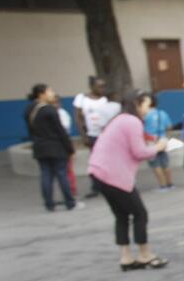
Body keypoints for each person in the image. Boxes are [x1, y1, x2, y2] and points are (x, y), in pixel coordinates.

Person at [87, 89, 169, 270]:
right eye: (147, 105)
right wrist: (159, 147)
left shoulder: (120, 119)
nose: (149, 109)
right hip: (114, 175)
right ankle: (145, 254)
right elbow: (139, 152)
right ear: (137, 103)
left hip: (98, 172)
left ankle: (126, 258)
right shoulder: (132, 121)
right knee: (140, 213)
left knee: (121, 215)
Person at [25, 84, 78, 212]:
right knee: (62, 174)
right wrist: (70, 148)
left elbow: (31, 131)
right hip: (56, 147)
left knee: (45, 174)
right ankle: (70, 202)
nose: (52, 94)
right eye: (49, 91)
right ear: (41, 94)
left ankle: (49, 204)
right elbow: (60, 131)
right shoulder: (49, 110)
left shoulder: (29, 109)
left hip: (39, 147)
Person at [74, 76, 116, 198]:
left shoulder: (106, 99)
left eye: (104, 86)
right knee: (96, 162)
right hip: (92, 135)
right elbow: (78, 118)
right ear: (91, 86)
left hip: (108, 135)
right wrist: (83, 136)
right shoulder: (81, 99)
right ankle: (96, 187)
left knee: (111, 160)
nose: (103, 89)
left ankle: (113, 184)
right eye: (99, 86)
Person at [143, 93, 174, 191]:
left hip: (150, 142)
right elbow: (169, 126)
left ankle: (162, 185)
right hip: (162, 140)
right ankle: (170, 184)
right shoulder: (162, 113)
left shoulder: (145, 115)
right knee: (165, 163)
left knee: (155, 164)